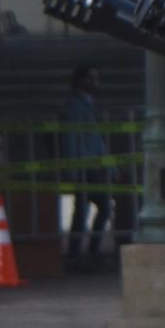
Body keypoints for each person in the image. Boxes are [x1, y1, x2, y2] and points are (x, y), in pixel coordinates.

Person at [61, 65, 113, 273]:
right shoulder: (75, 108)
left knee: (96, 208)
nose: (95, 83)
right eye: (91, 78)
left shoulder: (87, 106)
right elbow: (71, 139)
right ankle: (80, 253)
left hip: (93, 166)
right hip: (84, 166)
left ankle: (88, 250)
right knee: (82, 211)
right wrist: (73, 168)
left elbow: (97, 139)